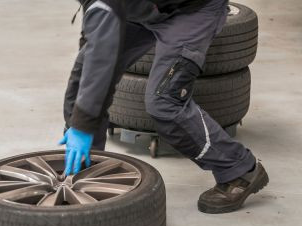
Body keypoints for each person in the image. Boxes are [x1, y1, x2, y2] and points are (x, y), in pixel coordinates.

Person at [59, 0, 269, 214]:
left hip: (192, 8)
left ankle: (239, 169)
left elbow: (102, 46)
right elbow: (97, 32)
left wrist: (83, 125)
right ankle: (89, 172)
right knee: (83, 81)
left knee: (164, 102)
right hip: (142, 8)